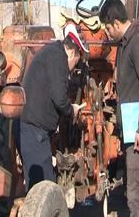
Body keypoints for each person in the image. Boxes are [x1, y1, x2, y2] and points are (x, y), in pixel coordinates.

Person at [99, 0, 139, 217]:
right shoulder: (125, 44)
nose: (107, 34)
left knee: (135, 193)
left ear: (115, 22)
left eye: (108, 28)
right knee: (138, 189)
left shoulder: (138, 42)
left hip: (138, 131)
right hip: (131, 130)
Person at [18, 23, 87, 191]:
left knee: (37, 186)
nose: (72, 71)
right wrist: (72, 110)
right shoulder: (58, 59)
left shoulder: (51, 53)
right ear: (72, 53)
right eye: (76, 64)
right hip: (35, 130)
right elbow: (59, 98)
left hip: (31, 128)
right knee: (44, 187)